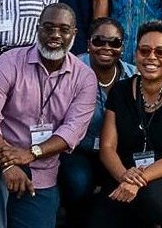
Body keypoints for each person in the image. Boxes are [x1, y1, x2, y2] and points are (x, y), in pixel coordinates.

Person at [0, 4, 96, 228]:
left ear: (73, 34)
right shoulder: (9, 61)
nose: (55, 35)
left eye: (63, 29)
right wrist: (7, 164)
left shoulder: (84, 78)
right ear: (37, 29)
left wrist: (31, 153)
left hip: (41, 167)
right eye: (48, 27)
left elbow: (72, 131)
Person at [89, 20, 162, 228]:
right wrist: (124, 175)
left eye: (160, 52)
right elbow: (107, 148)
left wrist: (137, 180)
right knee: (99, 219)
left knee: (153, 197)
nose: (152, 57)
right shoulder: (120, 91)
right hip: (126, 171)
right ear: (136, 55)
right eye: (145, 50)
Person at [60, 17, 139, 226]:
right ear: (88, 43)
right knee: (78, 183)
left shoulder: (133, 77)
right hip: (77, 149)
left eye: (114, 43)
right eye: (99, 41)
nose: (106, 48)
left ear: (122, 47)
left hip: (116, 153)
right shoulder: (70, 71)